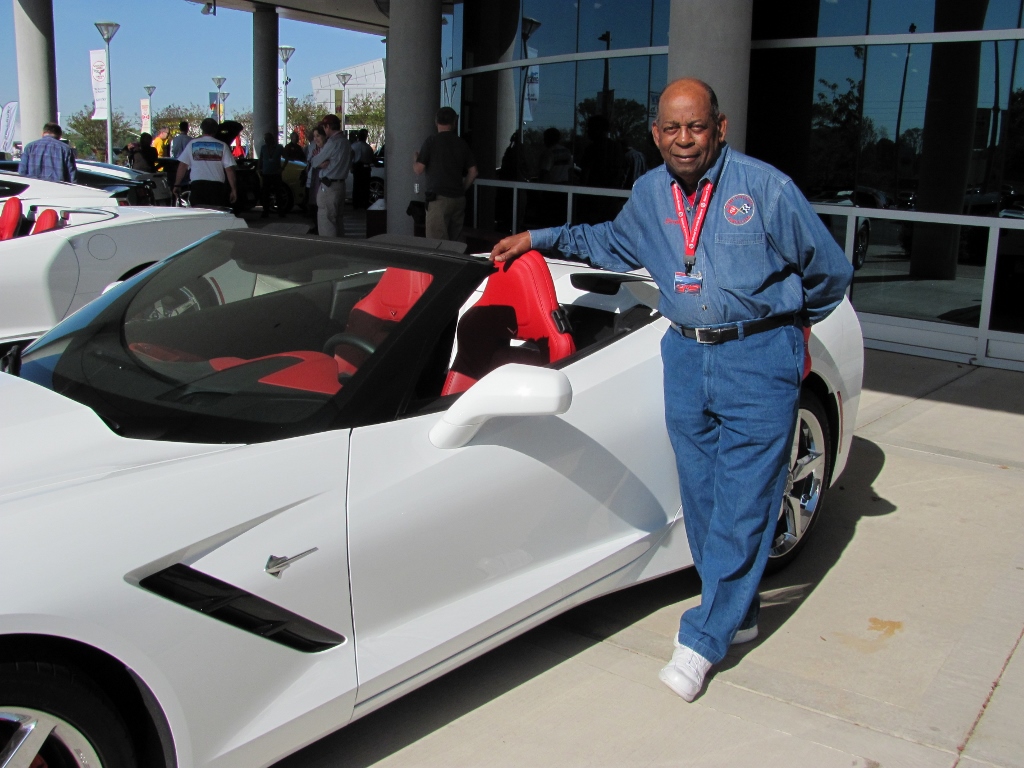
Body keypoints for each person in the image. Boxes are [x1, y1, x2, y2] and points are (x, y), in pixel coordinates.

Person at [489, 78, 853, 702]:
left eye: (698, 127)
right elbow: (607, 240)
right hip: (685, 354)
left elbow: (830, 273)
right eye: (673, 129)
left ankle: (702, 639)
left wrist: (788, 334)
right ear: (655, 135)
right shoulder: (650, 193)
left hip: (756, 357)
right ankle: (736, 611)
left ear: (721, 128)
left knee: (745, 503)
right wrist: (539, 238)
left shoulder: (764, 188)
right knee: (704, 498)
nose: (685, 140)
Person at [414, 106, 478, 241]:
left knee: (437, 246)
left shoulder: (432, 141)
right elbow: (473, 171)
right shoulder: (461, 143)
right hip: (458, 199)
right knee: (456, 245)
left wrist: (415, 159)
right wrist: (462, 188)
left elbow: (418, 169)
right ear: (454, 122)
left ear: (436, 122)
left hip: (438, 200)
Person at [172, 117, 237, 208]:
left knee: (199, 216)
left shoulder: (192, 144)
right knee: (216, 216)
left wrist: (177, 184)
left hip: (198, 187)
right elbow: (229, 169)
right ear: (216, 130)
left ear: (202, 129)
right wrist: (233, 189)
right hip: (217, 188)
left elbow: (182, 166)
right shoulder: (223, 146)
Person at [315, 114, 352, 237]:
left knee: (327, 222)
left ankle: (329, 251)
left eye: (324, 127)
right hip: (341, 186)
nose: (324, 131)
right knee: (338, 221)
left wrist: (320, 160)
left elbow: (315, 161)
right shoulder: (346, 142)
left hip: (328, 186)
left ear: (328, 126)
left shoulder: (332, 142)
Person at [258, 131, 286, 218]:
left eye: (267, 139)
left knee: (278, 193)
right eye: (265, 139)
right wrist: (259, 169)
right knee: (265, 193)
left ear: (271, 139)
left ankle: (280, 211)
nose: (266, 141)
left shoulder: (279, 147)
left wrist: (282, 168)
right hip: (266, 173)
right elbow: (260, 159)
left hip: (276, 174)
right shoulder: (263, 148)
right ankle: (265, 211)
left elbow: (286, 158)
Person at [305, 125, 326, 230]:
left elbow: (323, 163)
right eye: (314, 136)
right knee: (313, 204)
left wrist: (316, 162)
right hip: (313, 176)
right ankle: (316, 226)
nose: (315, 139)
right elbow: (312, 161)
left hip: (323, 180)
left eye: (318, 136)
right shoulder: (313, 146)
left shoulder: (328, 147)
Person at [350, 129, 374, 209]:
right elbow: (371, 159)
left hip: (357, 167)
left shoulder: (353, 146)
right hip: (365, 168)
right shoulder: (368, 148)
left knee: (356, 186)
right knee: (365, 187)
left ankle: (356, 204)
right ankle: (364, 204)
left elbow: (350, 157)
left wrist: (351, 167)